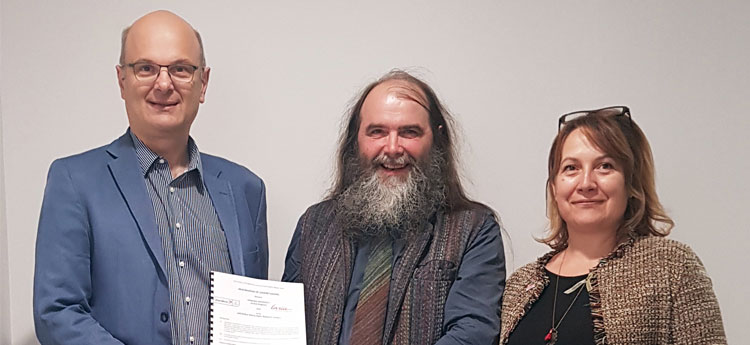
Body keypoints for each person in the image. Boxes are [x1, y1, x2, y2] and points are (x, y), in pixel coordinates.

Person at [33, 11, 268, 345]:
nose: (163, 83)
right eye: (145, 68)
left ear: (203, 83)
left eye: (181, 69)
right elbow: (57, 312)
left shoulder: (247, 189)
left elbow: (254, 314)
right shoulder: (73, 181)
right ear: (121, 80)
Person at [282, 70, 506, 345]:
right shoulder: (313, 225)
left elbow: (472, 333)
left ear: (435, 138)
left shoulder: (475, 229)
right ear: (357, 140)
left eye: (409, 132)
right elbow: (285, 327)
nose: (392, 147)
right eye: (377, 131)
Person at [500, 106, 726, 344]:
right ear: (555, 188)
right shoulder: (519, 285)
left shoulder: (672, 267)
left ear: (630, 184)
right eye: (571, 168)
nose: (586, 183)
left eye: (605, 166)